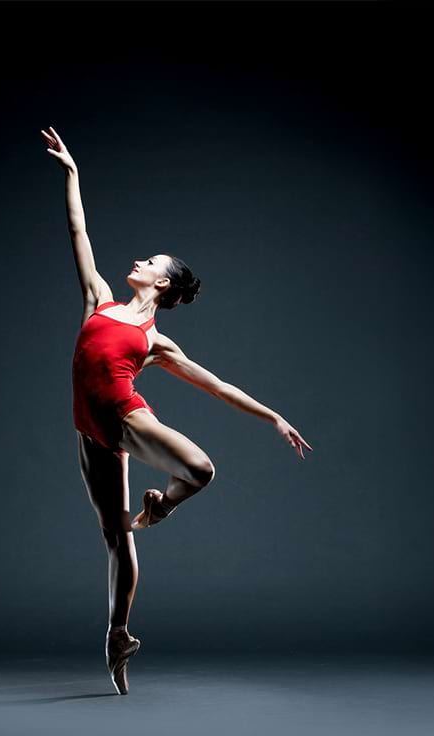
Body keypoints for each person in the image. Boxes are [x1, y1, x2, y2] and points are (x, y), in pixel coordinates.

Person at [42, 126, 313, 695]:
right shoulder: (99, 300)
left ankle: (162, 505)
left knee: (200, 468)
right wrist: (72, 173)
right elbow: (77, 230)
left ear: (161, 281)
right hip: (87, 432)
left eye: (148, 260)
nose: (136, 260)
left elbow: (217, 386)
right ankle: (117, 635)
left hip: (125, 417)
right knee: (116, 537)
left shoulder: (154, 340)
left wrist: (273, 417)